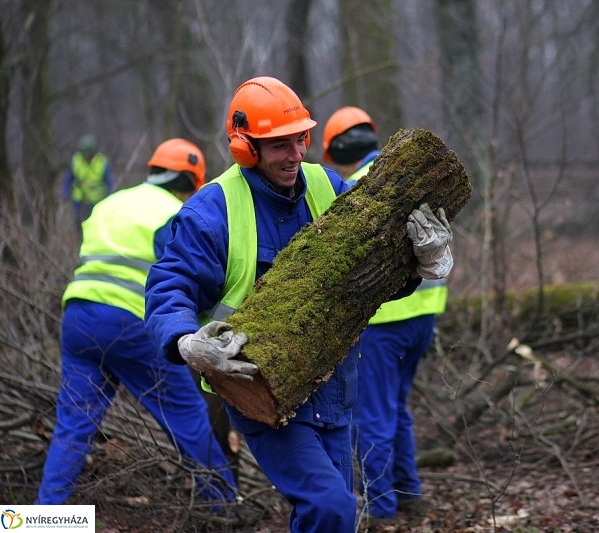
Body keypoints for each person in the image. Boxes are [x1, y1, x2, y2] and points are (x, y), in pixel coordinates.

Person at [143, 77, 454, 533]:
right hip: (260, 391)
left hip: (334, 386)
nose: (294, 154)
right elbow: (169, 285)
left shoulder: (327, 186)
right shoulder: (213, 210)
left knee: (334, 517)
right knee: (331, 507)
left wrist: (418, 264)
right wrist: (185, 340)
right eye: (279, 145)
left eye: (300, 140)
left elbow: (367, 277)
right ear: (246, 148)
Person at [36, 139, 240, 513]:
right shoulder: (175, 213)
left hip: (78, 317)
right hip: (128, 323)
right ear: (189, 181)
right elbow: (183, 277)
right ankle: (225, 506)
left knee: (74, 425)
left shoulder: (111, 203)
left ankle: (46, 513)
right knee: (187, 417)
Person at [323, 107, 450, 522]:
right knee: (395, 408)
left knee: (371, 416)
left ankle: (381, 510)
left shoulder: (360, 189)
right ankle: (408, 494)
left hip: (382, 323)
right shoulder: (411, 178)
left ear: (335, 151)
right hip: (424, 316)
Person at [62, 135, 114, 228]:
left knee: (96, 222)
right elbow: (68, 178)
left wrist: (110, 194)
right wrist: (65, 192)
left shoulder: (101, 161)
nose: (87, 155)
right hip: (79, 198)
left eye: (89, 153)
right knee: (79, 222)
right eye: (85, 153)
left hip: (97, 198)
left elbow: (109, 180)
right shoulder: (76, 160)